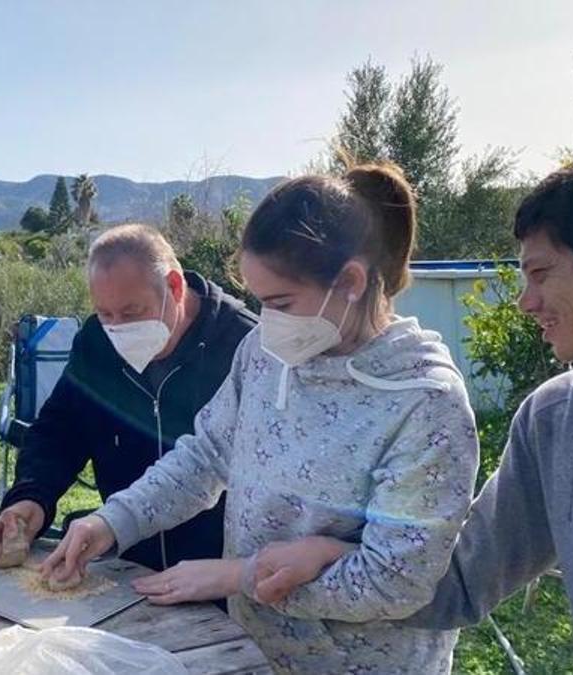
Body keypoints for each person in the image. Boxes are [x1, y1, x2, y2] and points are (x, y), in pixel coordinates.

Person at [258, 156, 573, 674]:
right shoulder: (553, 419)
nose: (525, 302)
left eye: (540, 273)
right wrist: (333, 555)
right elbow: (461, 583)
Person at [43, 167, 479, 673]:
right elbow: (205, 457)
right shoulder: (264, 355)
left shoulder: (425, 403)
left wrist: (238, 577)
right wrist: (113, 520)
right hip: (255, 652)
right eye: (259, 301)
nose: (266, 320)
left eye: (280, 303)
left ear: (352, 282)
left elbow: (395, 580)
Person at [0, 223, 257, 574]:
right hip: (127, 564)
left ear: (174, 287)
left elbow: (214, 468)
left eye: (131, 313)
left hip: (218, 575)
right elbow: (60, 428)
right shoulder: (95, 341)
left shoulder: (242, 345)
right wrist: (30, 497)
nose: (118, 328)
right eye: (105, 313)